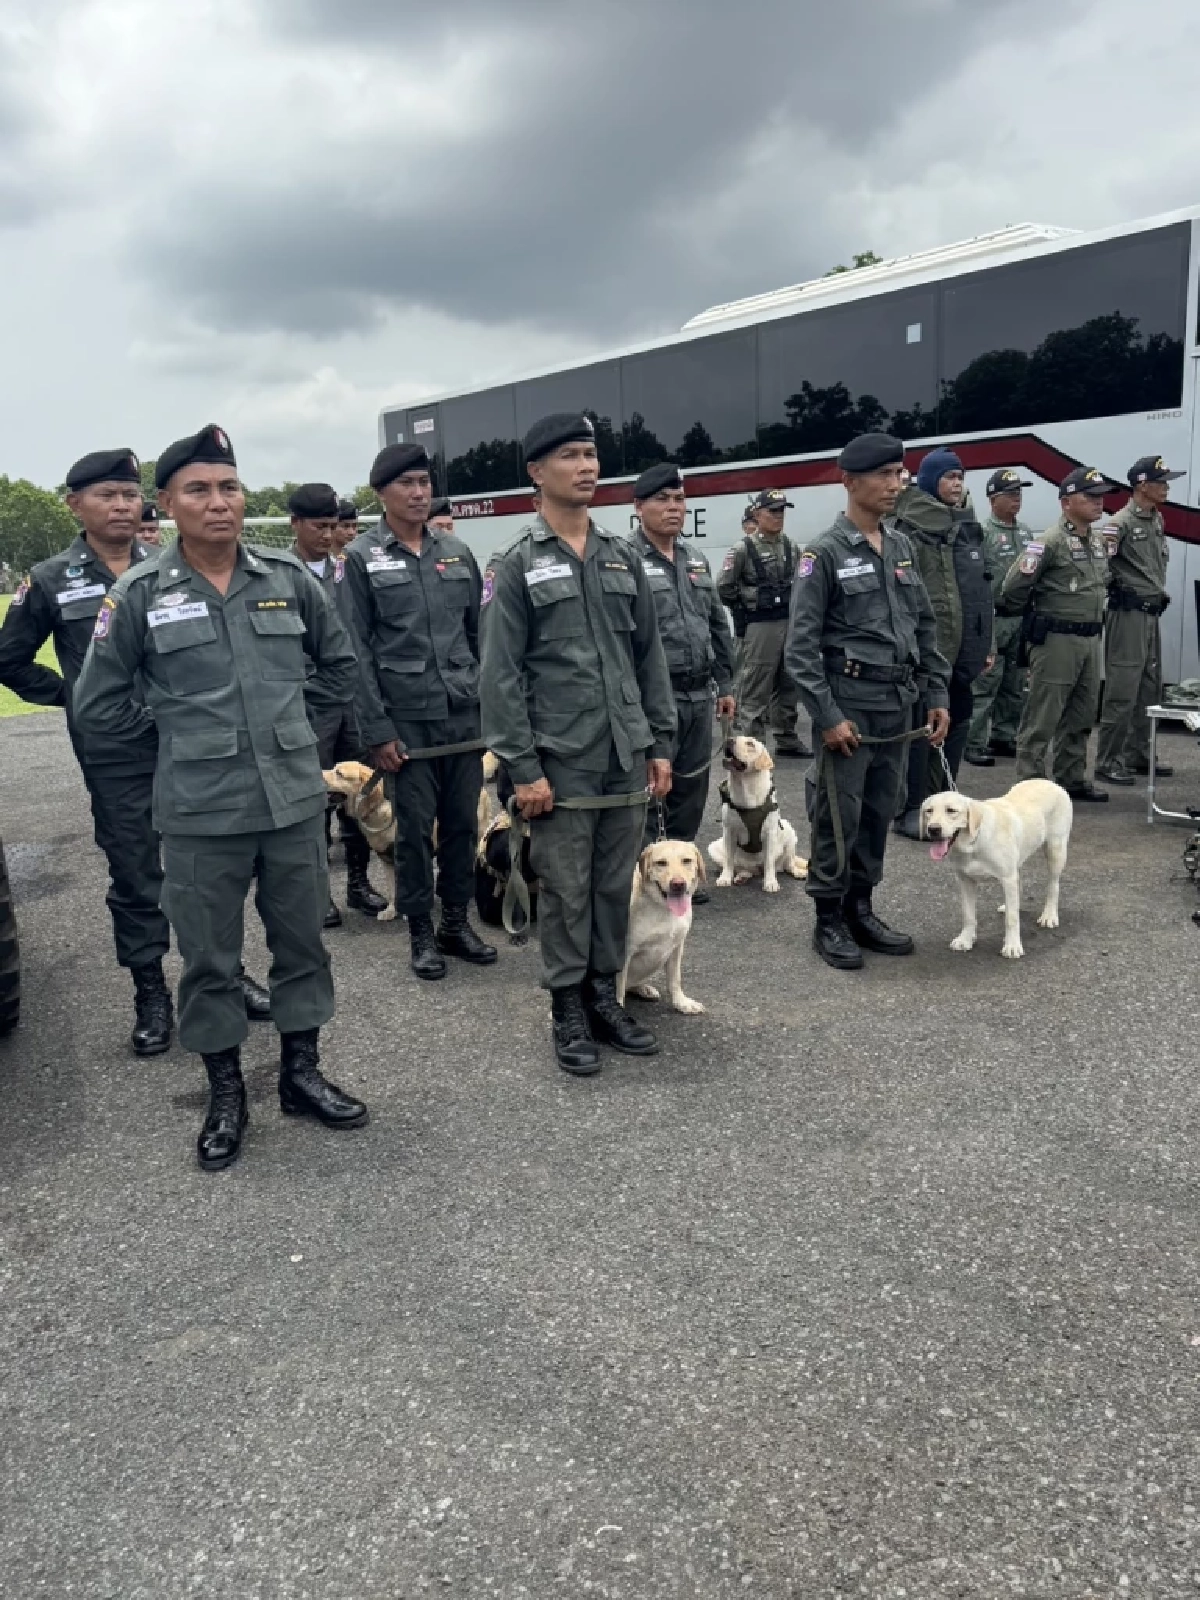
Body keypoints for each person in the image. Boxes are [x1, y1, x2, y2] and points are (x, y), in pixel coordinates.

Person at [74, 424, 368, 1171]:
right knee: (209, 959)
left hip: (293, 799)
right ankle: (227, 1091)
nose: (219, 502)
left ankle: (301, 1073)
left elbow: (339, 666)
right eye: (199, 490)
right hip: (201, 811)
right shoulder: (139, 593)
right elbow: (98, 705)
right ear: (167, 503)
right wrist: (178, 736)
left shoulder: (286, 577)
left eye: (230, 487)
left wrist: (290, 721)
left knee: (302, 943)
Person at [479, 412, 675, 1074]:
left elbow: (649, 660)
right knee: (565, 888)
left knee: (613, 884)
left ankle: (603, 994)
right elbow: (499, 678)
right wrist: (523, 768)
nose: (587, 466)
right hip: (558, 763)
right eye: (570, 455)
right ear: (537, 473)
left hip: (624, 754)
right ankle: (566, 1006)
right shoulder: (515, 565)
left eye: (591, 454)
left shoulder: (622, 557)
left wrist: (660, 744)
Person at [0, 448, 178, 1053]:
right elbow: (9, 660)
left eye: (130, 494)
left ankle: (225, 976)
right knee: (135, 870)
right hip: (114, 750)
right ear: (76, 504)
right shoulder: (51, 578)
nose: (123, 505)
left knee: (207, 865)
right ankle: (151, 991)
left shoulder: (171, 565)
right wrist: (74, 697)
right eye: (108, 495)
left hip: (184, 742)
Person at [785, 432, 951, 970]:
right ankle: (828, 917)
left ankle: (862, 907)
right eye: (884, 475)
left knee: (881, 810)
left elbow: (925, 626)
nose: (895, 484)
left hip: (898, 705)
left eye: (899, 474)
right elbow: (801, 648)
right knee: (839, 813)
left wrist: (935, 692)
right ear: (851, 481)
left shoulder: (901, 546)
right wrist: (828, 717)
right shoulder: (823, 554)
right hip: (849, 707)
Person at [344, 443, 496, 980]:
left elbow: (481, 635)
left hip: (462, 715)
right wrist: (377, 729)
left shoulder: (456, 552)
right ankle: (420, 932)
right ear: (381, 492)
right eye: (406, 483)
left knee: (461, 824)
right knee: (411, 832)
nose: (418, 492)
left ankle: (455, 922)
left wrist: (490, 710)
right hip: (405, 722)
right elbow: (355, 651)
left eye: (424, 482)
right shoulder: (362, 558)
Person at [288, 482, 388, 925]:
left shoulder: (348, 568)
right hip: (310, 702)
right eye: (319, 526)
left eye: (333, 526)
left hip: (355, 701)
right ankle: (317, 892)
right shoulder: (277, 571)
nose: (329, 535)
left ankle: (359, 883)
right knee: (315, 798)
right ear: (295, 524)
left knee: (361, 794)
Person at [632, 463, 735, 880]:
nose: (673, 508)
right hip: (653, 698)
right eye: (662, 499)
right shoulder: (625, 560)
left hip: (697, 695)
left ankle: (681, 872)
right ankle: (646, 876)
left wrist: (726, 681)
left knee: (692, 790)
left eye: (679, 499)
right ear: (639, 507)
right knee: (651, 789)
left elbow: (716, 623)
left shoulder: (694, 559)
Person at [998, 465, 1118, 802]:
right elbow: (1014, 586)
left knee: (1082, 713)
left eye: (1100, 497)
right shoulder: (1049, 542)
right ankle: (1030, 784)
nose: (1098, 503)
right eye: (1090, 497)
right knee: (1043, 715)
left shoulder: (1097, 542)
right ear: (1066, 502)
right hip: (1057, 640)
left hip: (1091, 639)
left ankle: (1071, 777)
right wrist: (1036, 616)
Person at [892, 448, 993, 836]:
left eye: (960, 477)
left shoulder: (966, 528)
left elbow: (981, 590)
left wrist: (985, 643)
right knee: (921, 728)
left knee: (960, 716)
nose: (957, 484)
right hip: (925, 652)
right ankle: (912, 808)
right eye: (949, 477)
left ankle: (946, 799)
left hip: (963, 649)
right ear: (931, 481)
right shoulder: (907, 529)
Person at [1094, 455, 1183, 785]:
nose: (1167, 487)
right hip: (1128, 615)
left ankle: (1139, 753)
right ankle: (1107, 760)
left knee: (1149, 689)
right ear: (1143, 486)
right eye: (1162, 481)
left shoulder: (1155, 520)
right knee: (1122, 690)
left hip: (1149, 614)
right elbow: (1101, 568)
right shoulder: (1120, 524)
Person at [718, 488, 809, 758]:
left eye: (782, 511)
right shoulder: (743, 549)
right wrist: (747, 604)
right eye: (772, 511)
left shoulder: (792, 547)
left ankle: (787, 737)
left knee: (789, 683)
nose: (778, 516)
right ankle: (753, 746)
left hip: (787, 622)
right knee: (755, 686)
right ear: (757, 514)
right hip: (760, 626)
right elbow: (724, 587)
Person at [964, 469, 1037, 765]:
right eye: (1010, 494)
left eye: (1019, 493)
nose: (1017, 499)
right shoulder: (983, 534)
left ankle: (1004, 735)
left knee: (1014, 682)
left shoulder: (1026, 533)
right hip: (994, 616)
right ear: (994, 499)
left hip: (1021, 617)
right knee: (985, 682)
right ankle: (973, 741)